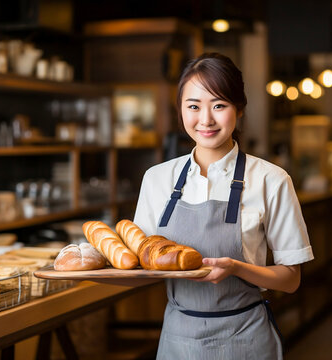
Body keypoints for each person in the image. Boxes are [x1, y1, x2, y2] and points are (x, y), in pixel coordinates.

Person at [133, 52, 314, 359]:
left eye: (219, 105)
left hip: (244, 338)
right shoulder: (156, 179)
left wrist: (236, 268)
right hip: (178, 340)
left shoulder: (272, 179)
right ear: (180, 110)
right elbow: (140, 260)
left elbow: (291, 279)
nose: (205, 120)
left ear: (239, 109)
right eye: (193, 106)